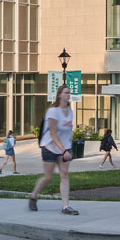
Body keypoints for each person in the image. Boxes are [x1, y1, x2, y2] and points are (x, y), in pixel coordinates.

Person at [27, 84, 78, 216]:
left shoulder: (70, 110)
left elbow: (68, 132)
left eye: (69, 93)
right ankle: (33, 196)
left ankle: (65, 206)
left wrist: (69, 149)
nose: (68, 95)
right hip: (50, 147)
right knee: (48, 177)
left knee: (64, 174)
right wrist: (64, 151)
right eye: (66, 92)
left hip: (64, 148)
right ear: (60, 94)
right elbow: (53, 134)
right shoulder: (53, 112)